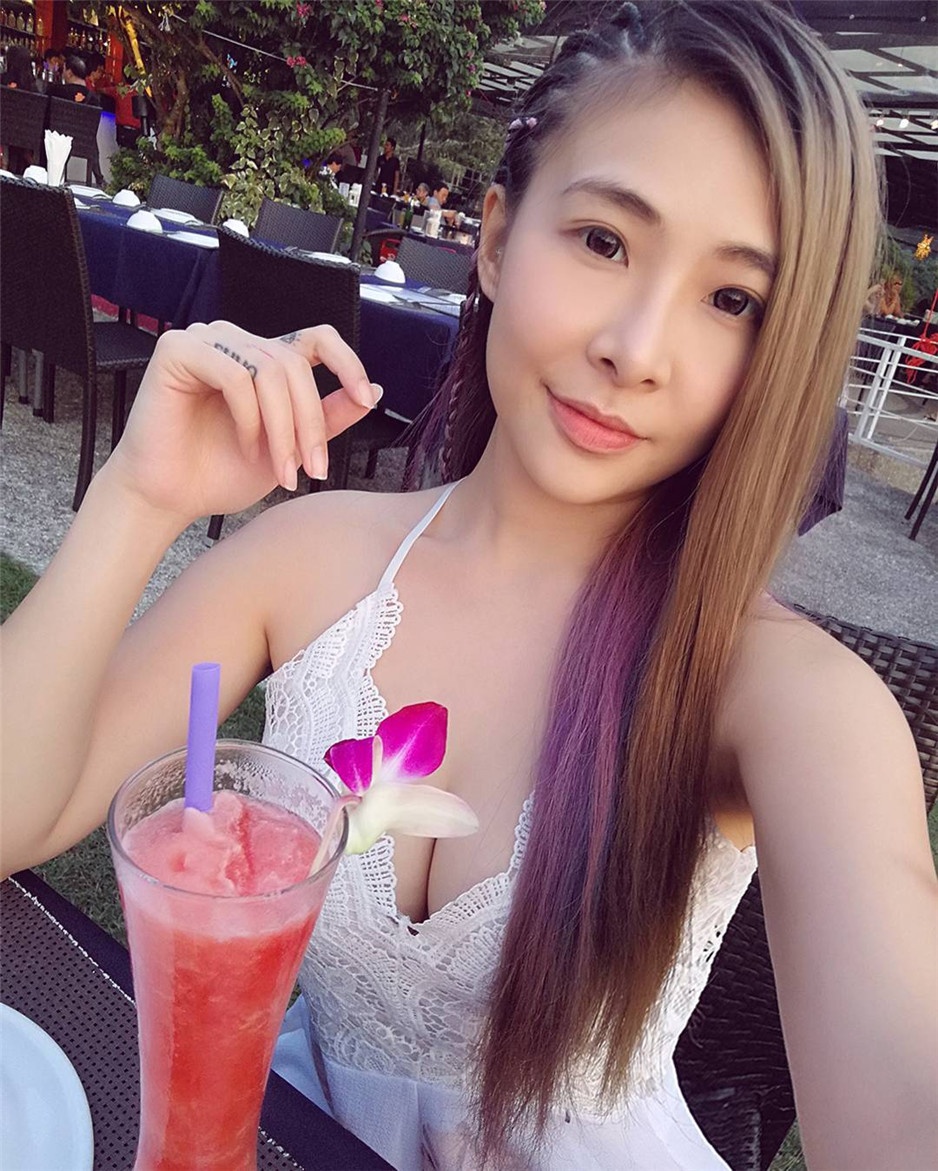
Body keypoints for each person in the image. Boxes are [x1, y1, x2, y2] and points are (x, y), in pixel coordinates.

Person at [2, 3, 935, 1169]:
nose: (635, 347)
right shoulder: (310, 560)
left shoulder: (780, 695)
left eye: (731, 299)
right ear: (494, 239)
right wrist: (139, 498)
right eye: (602, 240)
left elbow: (903, 1082)